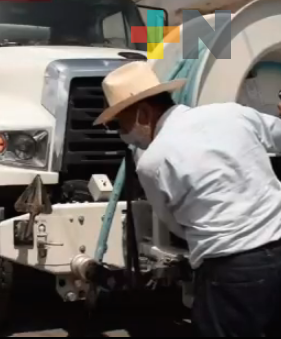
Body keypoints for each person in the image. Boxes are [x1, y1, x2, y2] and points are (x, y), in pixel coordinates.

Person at [93, 61, 281, 337]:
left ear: (144, 114)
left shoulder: (153, 162)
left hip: (231, 271)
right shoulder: (231, 114)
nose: (123, 135)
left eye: (121, 125)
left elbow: (176, 225)